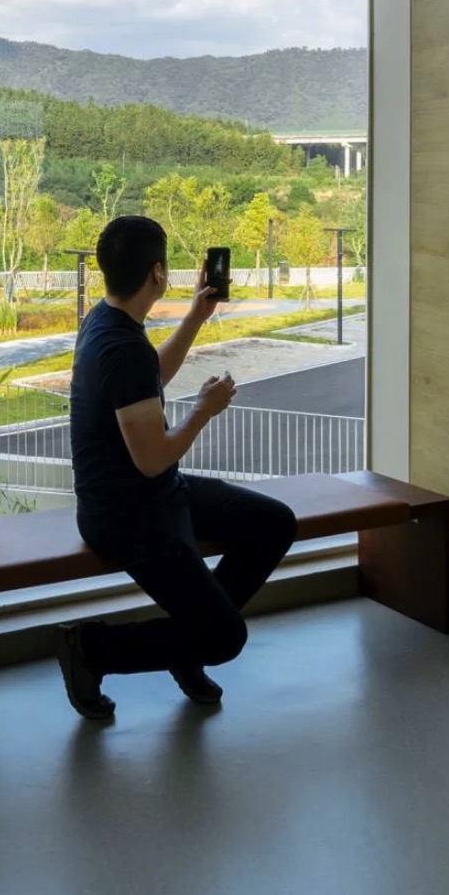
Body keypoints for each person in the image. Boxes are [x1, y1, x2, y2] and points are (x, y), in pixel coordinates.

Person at [56, 214, 297, 719]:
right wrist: (204, 410)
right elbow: (152, 459)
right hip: (124, 515)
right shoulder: (120, 345)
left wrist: (194, 318)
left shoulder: (107, 320)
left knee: (273, 523)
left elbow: (146, 379)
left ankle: (188, 641)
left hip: (156, 494)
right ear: (158, 273)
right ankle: (92, 649)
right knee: (226, 637)